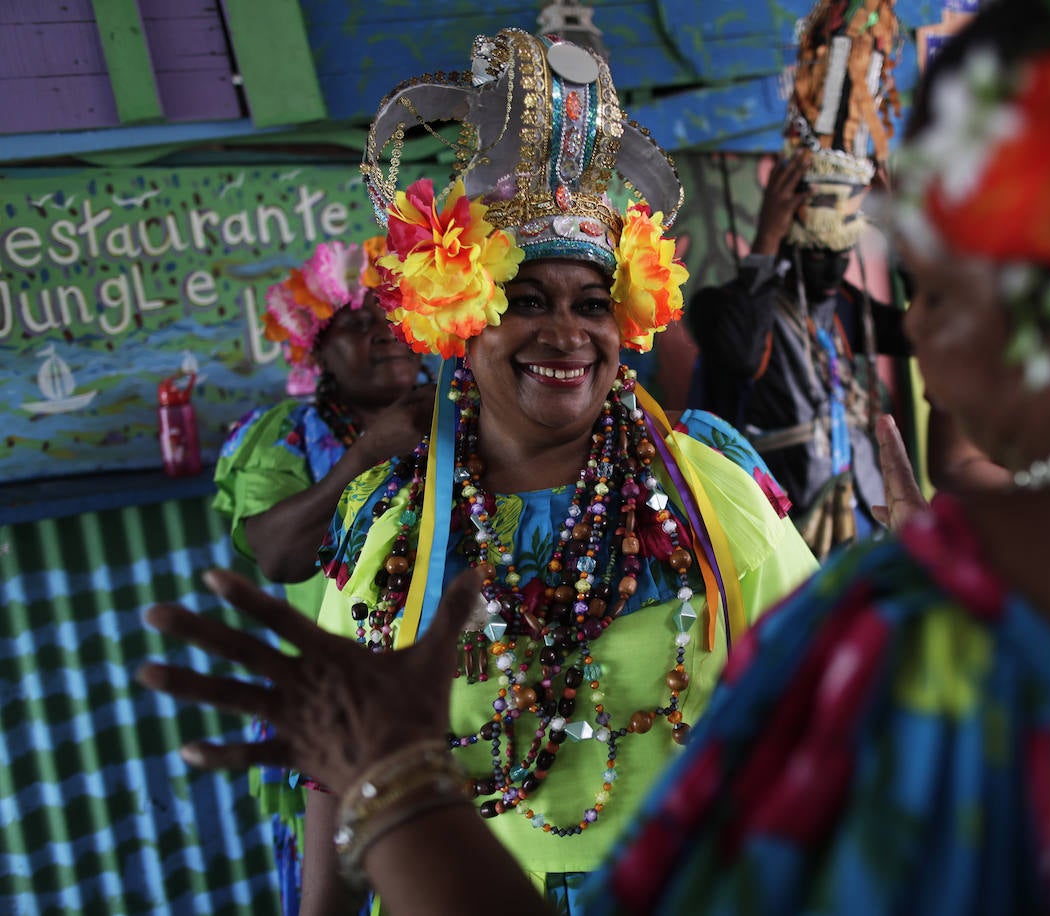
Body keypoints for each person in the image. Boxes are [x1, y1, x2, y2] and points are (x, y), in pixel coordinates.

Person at [142, 0, 1050, 913]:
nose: (920, 339)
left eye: (933, 284)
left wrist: (392, 782)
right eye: (528, 299)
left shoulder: (944, 615)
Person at [264, 29, 813, 916]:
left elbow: (826, 714)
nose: (568, 333)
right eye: (526, 302)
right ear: (463, 320)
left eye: (593, 305)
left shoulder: (710, 498)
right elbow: (339, 768)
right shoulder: (392, 526)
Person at [212, 237, 433, 915]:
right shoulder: (284, 435)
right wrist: (365, 456)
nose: (385, 334)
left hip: (456, 688)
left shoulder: (468, 412)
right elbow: (277, 554)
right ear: (317, 351)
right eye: (359, 324)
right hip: (340, 709)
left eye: (392, 318)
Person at [686, 0, 913, 559]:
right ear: (787, 225)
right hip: (781, 535)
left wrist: (905, 227)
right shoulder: (726, 305)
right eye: (818, 238)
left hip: (863, 523)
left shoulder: (843, 310)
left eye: (846, 241)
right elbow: (739, 354)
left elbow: (918, 333)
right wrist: (764, 243)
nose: (834, 261)